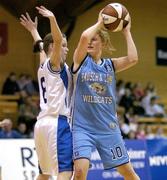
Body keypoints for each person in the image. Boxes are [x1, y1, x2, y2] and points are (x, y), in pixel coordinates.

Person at [71, 11, 140, 180]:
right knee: (79, 172)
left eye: (95, 39)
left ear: (103, 42)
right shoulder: (80, 61)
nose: (90, 41)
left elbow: (133, 59)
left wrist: (126, 31)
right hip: (82, 128)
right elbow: (83, 38)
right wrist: (99, 23)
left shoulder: (110, 65)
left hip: (108, 128)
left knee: (128, 173)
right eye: (91, 38)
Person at [20, 6, 73, 180]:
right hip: (57, 123)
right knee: (65, 172)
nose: (66, 49)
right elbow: (55, 41)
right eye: (63, 46)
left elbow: (40, 45)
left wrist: (34, 30)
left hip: (41, 125)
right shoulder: (55, 62)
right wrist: (52, 19)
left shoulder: (44, 62)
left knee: (44, 174)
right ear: (53, 47)